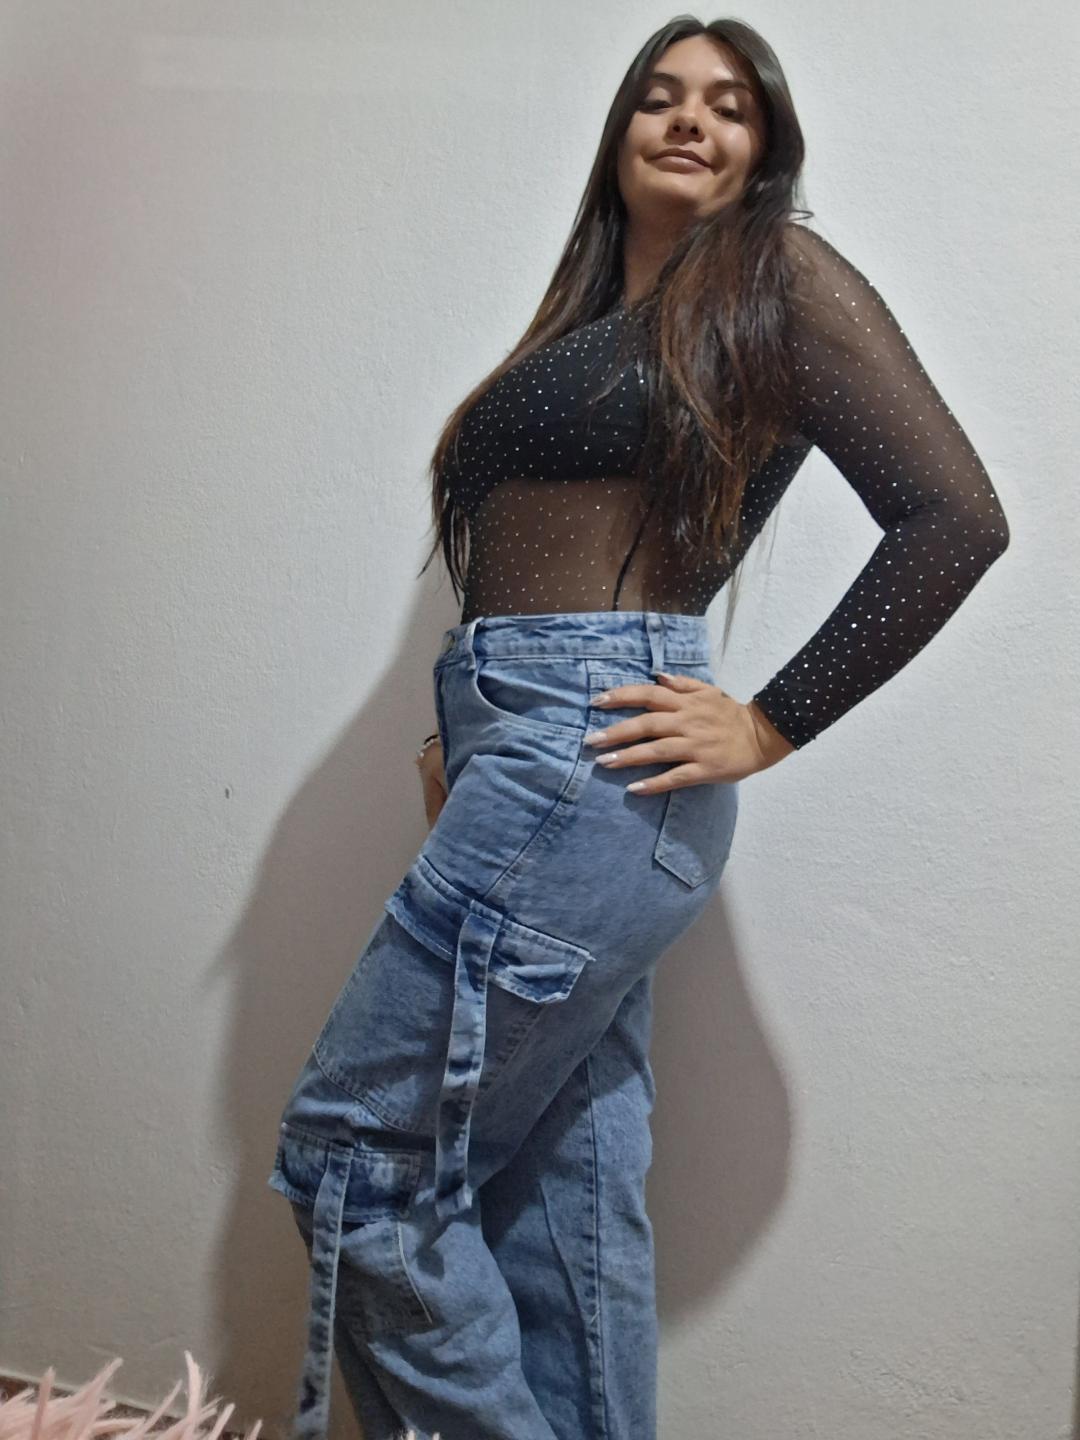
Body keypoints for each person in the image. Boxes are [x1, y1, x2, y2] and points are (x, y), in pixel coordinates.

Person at [267, 17, 1010, 1440]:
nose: (689, 120)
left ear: (765, 146)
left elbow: (955, 517)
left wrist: (772, 722)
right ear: (618, 134)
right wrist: (454, 731)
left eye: (728, 105)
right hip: (527, 754)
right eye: (659, 97)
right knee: (562, 1206)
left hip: (595, 751)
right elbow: (517, 548)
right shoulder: (585, 325)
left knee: (357, 1164)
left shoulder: (779, 278)